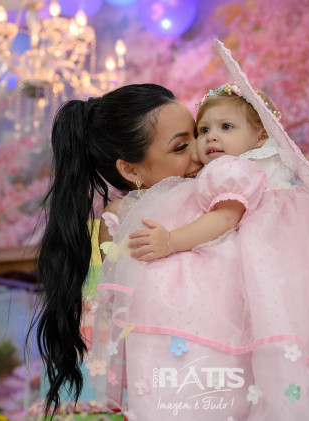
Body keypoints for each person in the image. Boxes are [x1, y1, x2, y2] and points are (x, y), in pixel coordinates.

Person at [95, 40, 309, 420]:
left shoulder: (238, 176)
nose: (205, 144)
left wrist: (173, 240)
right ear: (130, 169)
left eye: (221, 129)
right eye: (195, 137)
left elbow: (227, 221)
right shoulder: (146, 211)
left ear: (259, 135)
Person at [35, 83, 203, 416]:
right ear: (131, 169)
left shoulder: (208, 197)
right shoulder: (127, 220)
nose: (201, 151)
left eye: (199, 135)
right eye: (182, 146)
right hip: (154, 383)